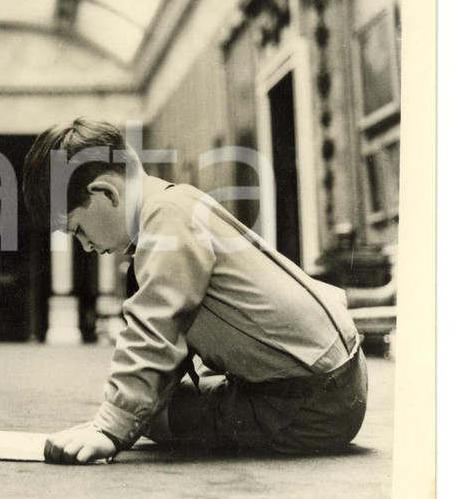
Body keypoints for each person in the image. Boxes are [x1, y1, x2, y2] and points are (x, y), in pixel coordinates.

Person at [22, 118, 368, 464]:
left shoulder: (165, 219)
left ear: (106, 193)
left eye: (77, 229)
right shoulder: (174, 203)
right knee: (149, 405)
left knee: (155, 417)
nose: (84, 246)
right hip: (333, 376)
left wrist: (110, 428)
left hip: (314, 405)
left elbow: (156, 327)